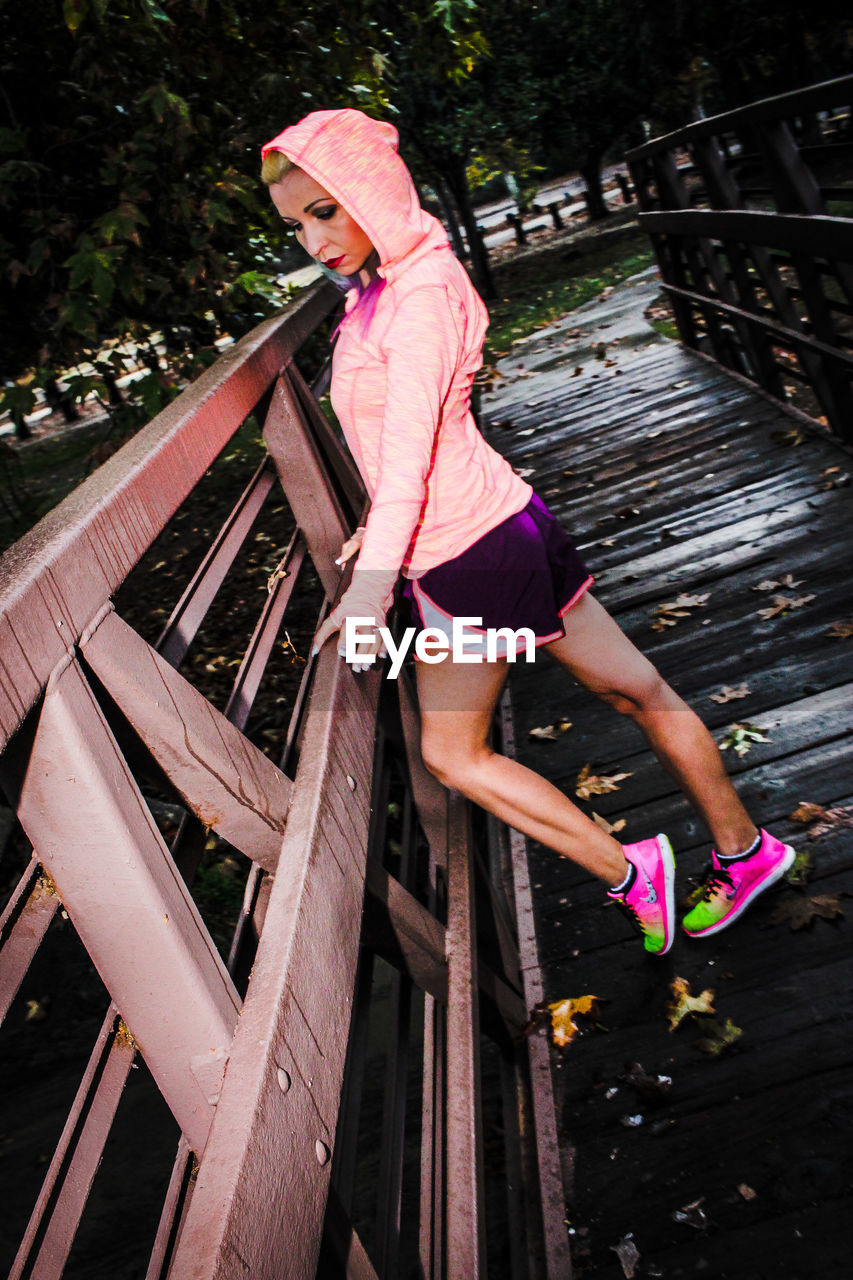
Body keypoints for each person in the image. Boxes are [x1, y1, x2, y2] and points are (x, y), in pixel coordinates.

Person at [260, 108, 794, 955]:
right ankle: (746, 852)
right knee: (635, 691)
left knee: (451, 753)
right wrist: (374, 530)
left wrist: (370, 594)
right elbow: (407, 442)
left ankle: (629, 871)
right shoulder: (389, 284)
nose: (311, 238)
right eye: (296, 224)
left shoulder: (420, 296)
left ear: (371, 190)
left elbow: (406, 466)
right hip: (503, 525)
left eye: (326, 210)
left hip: (466, 557)